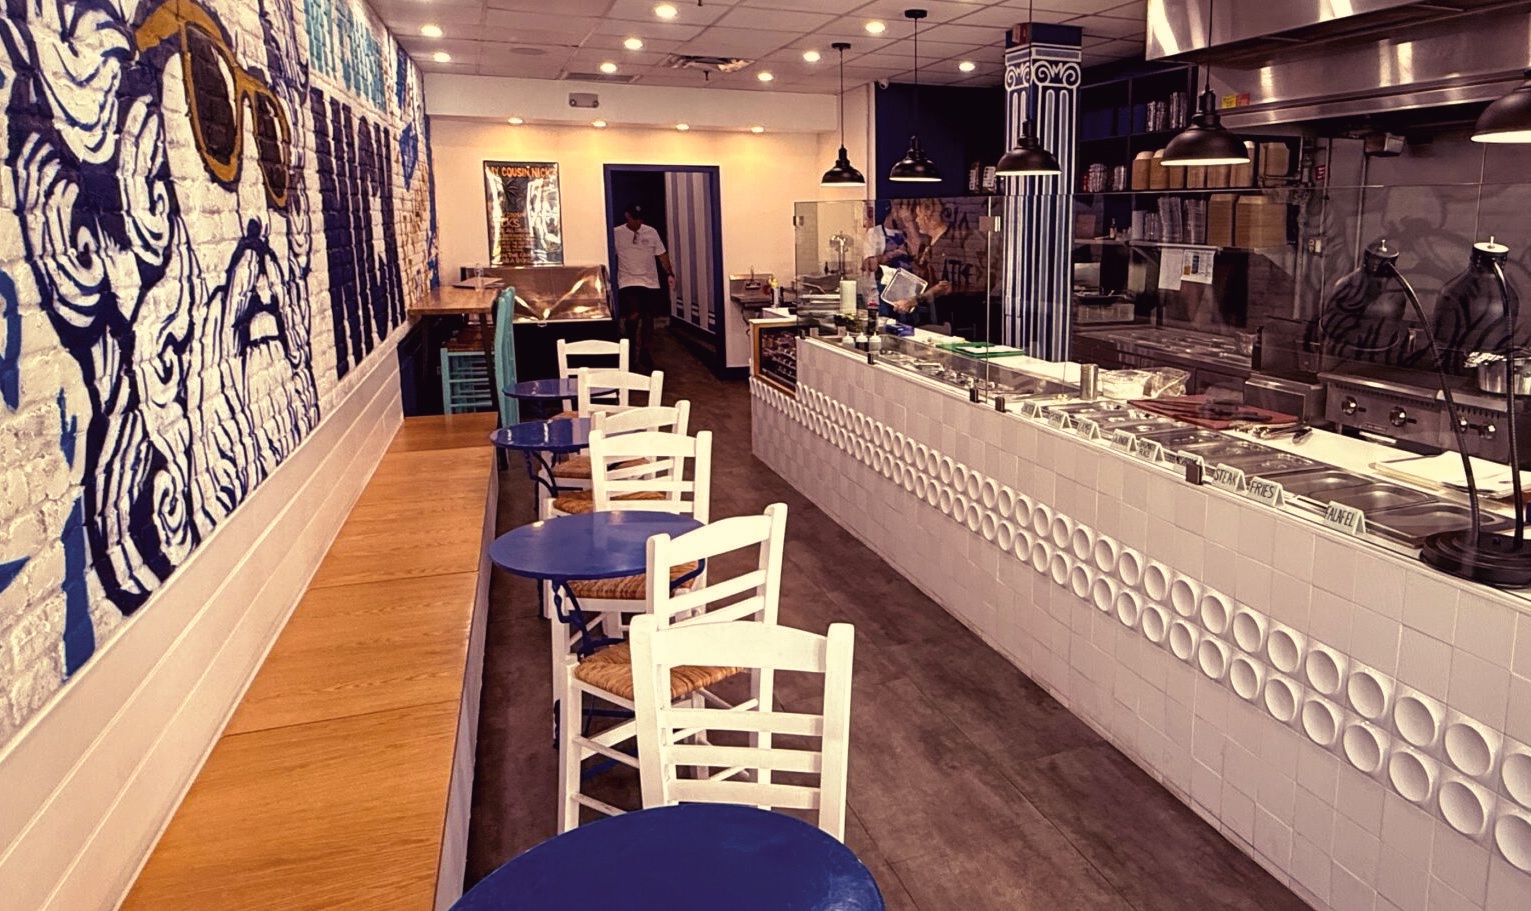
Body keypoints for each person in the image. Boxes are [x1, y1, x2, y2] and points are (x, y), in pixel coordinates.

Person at [613, 205, 675, 373]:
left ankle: (644, 352)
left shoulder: (651, 232)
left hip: (649, 281)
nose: (638, 222)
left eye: (640, 219)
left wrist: (669, 273)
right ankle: (631, 351)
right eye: (635, 219)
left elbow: (661, 254)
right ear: (627, 216)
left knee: (648, 317)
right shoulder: (617, 233)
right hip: (627, 280)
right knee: (634, 315)